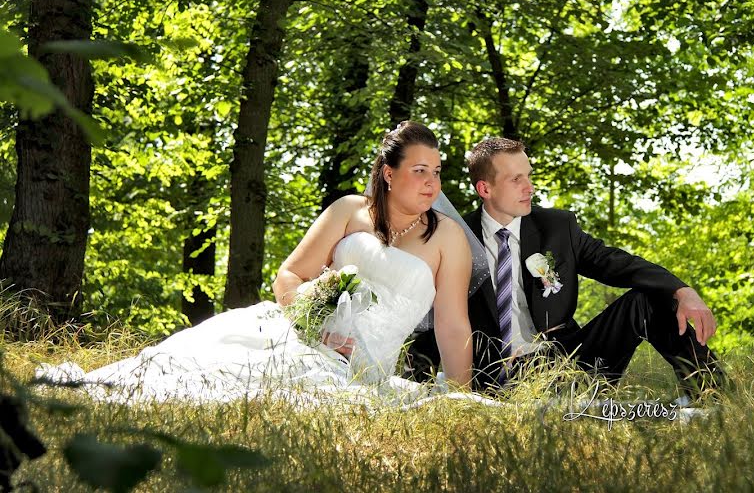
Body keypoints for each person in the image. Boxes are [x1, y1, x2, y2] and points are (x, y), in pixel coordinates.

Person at [38, 122, 474, 403]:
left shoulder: (447, 238)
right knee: (213, 365)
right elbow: (289, 275)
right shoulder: (348, 211)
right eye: (420, 170)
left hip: (364, 370)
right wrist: (312, 316)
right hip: (304, 338)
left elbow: (451, 325)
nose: (432, 182)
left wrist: (460, 394)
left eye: (437, 171)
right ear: (389, 173)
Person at [410, 137, 725, 397]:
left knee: (648, 298)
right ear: (485, 189)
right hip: (494, 380)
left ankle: (711, 396)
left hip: (570, 364)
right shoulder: (453, 237)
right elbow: (433, 317)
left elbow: (619, 264)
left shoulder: (556, 228)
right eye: (516, 179)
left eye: (529, 175)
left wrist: (683, 291)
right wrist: (418, 386)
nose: (529, 186)